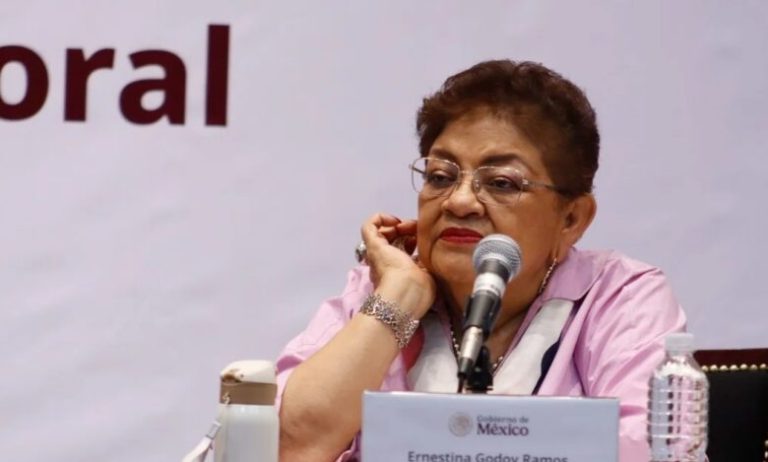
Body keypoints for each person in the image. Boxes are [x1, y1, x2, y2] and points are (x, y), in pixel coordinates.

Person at [275, 60, 686, 462]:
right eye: (440, 176)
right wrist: (400, 297)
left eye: (501, 183)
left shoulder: (619, 298)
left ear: (571, 219)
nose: (459, 201)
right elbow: (285, 447)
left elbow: (655, 452)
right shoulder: (380, 291)